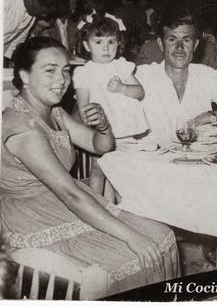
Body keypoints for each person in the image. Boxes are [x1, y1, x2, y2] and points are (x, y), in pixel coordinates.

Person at [0, 37, 179, 297]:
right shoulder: (23, 128)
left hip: (64, 203)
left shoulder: (55, 113)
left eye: (65, 71)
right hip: (34, 217)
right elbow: (71, 194)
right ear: (24, 75)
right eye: (49, 70)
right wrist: (131, 237)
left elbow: (99, 146)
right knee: (131, 255)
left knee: (162, 236)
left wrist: (104, 126)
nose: (61, 80)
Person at [136, 14, 217, 143]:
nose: (179, 47)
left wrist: (207, 117)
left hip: (196, 158)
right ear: (161, 44)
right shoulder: (142, 77)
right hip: (152, 157)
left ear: (195, 45)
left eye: (186, 40)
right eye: (172, 40)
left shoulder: (206, 75)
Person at [74, 14, 149, 199]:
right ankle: (94, 207)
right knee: (99, 170)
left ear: (119, 44)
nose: (106, 48)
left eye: (111, 42)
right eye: (98, 42)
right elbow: (83, 106)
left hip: (125, 129)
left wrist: (123, 87)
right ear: (86, 45)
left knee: (121, 172)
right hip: (101, 131)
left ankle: (121, 208)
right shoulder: (85, 72)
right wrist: (92, 126)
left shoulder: (121, 67)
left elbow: (140, 92)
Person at [3, 0, 69, 62]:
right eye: (43, 12)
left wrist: (9, 59)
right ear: (34, 0)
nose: (44, 16)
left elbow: (18, 38)